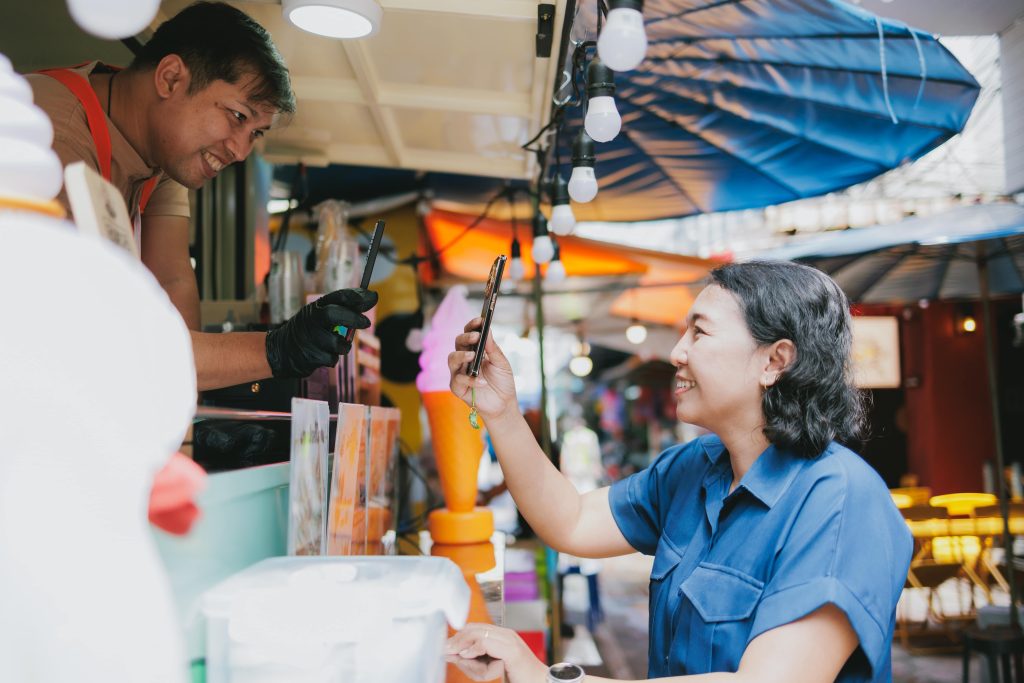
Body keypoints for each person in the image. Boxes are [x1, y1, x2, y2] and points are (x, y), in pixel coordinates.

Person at [445, 261, 912, 683]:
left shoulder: (842, 500)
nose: (677, 352)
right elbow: (571, 520)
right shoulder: (695, 467)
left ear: (774, 361)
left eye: (700, 333)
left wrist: (553, 680)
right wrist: (502, 411)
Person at [27, 1, 375, 391]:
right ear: (171, 78)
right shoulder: (51, 133)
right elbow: (95, 338)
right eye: (238, 116)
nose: (241, 152)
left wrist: (184, 425)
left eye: (256, 133)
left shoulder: (160, 153)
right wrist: (277, 349)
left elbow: (173, 285)